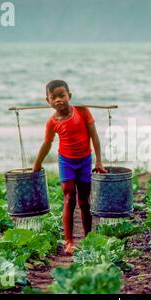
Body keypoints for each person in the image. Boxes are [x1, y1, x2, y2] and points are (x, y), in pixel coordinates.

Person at [33, 80, 108, 255]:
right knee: (69, 197)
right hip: (66, 161)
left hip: (84, 160)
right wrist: (37, 164)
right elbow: (47, 143)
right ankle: (69, 241)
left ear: (69, 96)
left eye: (62, 95)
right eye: (54, 97)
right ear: (48, 101)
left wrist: (98, 161)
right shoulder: (52, 122)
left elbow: (94, 136)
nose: (58, 100)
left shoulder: (82, 111)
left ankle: (89, 238)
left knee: (83, 201)